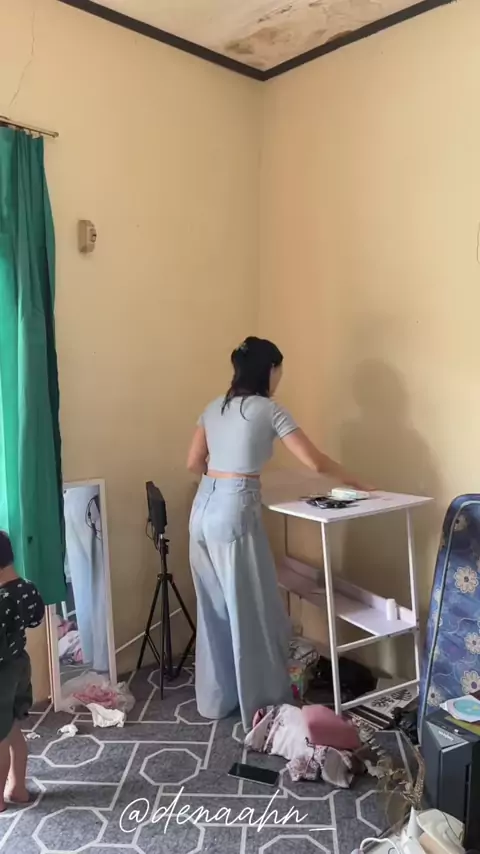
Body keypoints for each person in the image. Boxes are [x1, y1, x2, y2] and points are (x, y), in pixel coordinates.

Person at [187, 336, 370, 731]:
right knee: (249, 609)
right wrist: (357, 481)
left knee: (214, 608)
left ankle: (216, 700)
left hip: (201, 509)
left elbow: (193, 462)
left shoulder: (213, 407)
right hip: (233, 512)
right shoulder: (268, 409)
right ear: (270, 369)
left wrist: (225, 478)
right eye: (279, 370)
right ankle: (263, 705)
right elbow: (315, 461)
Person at [0, 531, 45, 811]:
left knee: (0, 739)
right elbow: (36, 618)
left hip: (2, 673)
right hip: (21, 664)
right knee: (13, 730)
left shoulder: (1, 599)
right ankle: (17, 788)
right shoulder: (27, 587)